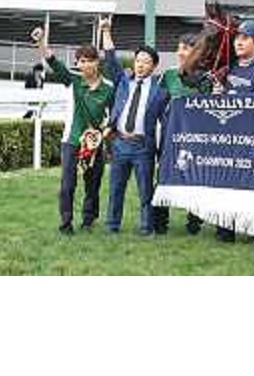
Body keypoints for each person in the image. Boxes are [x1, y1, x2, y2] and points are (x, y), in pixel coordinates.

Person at [31, 26, 114, 235]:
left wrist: (104, 133)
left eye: (89, 60)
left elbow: (113, 116)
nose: (85, 65)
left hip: (95, 143)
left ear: (97, 62)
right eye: (81, 61)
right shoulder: (73, 81)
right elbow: (52, 61)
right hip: (71, 141)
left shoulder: (109, 87)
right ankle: (65, 223)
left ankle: (88, 219)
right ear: (77, 63)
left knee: (92, 184)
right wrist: (41, 41)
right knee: (67, 185)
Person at [100, 19, 169, 236]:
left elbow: (167, 122)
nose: (140, 65)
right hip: (119, 142)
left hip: (143, 146)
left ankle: (146, 227)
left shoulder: (160, 93)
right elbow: (111, 60)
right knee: (115, 189)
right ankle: (112, 225)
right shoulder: (123, 81)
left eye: (146, 62)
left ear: (154, 66)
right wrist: (106, 31)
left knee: (145, 191)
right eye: (138, 60)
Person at [216, 20, 254, 243]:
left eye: (244, 38)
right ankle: (225, 229)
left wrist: (247, 100)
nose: (238, 42)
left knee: (251, 185)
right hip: (228, 137)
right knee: (226, 183)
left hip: (253, 138)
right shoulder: (230, 67)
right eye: (237, 38)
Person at [153, 33, 210, 236]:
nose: (180, 52)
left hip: (197, 139)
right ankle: (160, 223)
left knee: (196, 178)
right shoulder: (168, 75)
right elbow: (157, 104)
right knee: (164, 177)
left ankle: (194, 224)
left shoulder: (206, 77)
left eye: (185, 48)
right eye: (179, 48)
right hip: (170, 137)